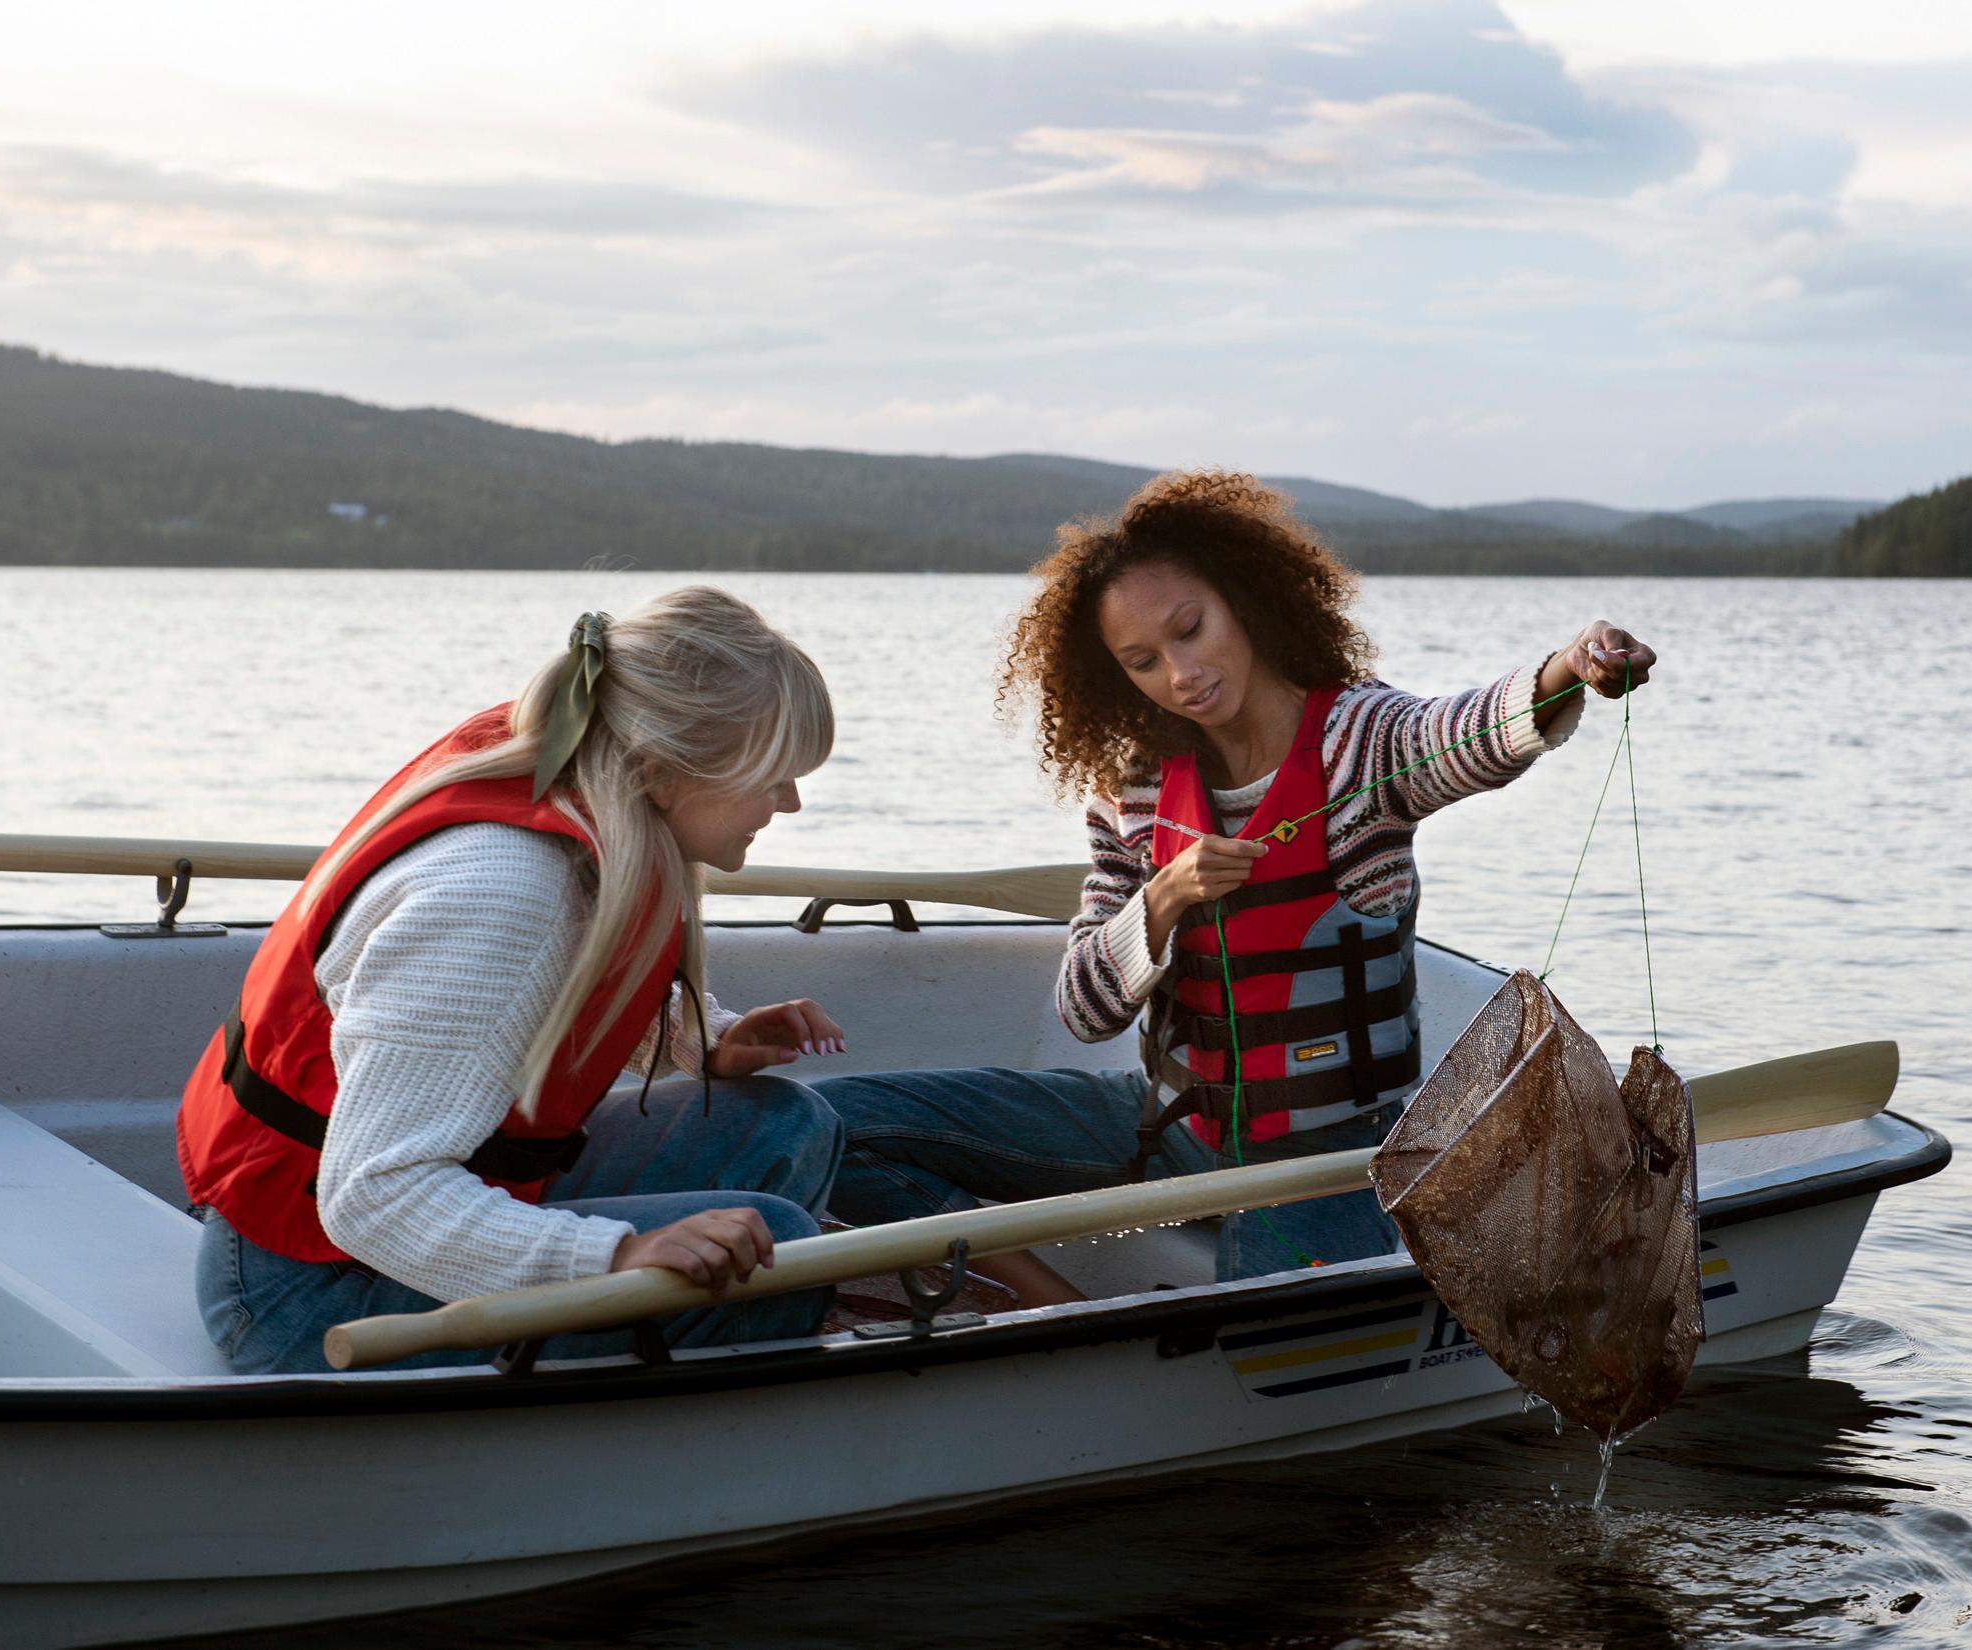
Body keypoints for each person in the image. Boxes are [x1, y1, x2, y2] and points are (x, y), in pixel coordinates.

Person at [819, 471, 1653, 1286]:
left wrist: (1565, 671)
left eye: (1192, 627)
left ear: (1245, 599)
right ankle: (1045, 1307)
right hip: (1172, 1130)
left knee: (1259, 1328)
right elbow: (1082, 1009)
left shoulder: (1359, 739)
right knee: (832, 1127)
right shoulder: (1136, 792)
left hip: (1325, 1160)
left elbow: (1463, 735)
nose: (1180, 672)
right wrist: (1163, 897)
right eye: (1143, 659)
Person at [179, 587, 853, 1372]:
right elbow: (374, 1197)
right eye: (772, 776)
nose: (792, 802)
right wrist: (621, 1257)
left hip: (404, 1219)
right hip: (305, 1293)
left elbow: (531, 1003)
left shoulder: (589, 783)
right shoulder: (498, 896)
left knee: (784, 1125)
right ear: (662, 768)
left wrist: (697, 1039)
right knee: (785, 1255)